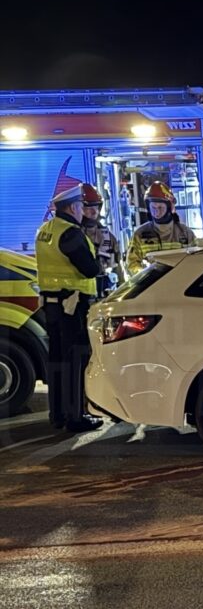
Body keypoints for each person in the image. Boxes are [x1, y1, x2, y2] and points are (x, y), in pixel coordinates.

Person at [34, 184, 103, 432]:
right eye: (81, 206)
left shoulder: (45, 230)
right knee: (76, 361)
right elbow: (90, 269)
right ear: (73, 207)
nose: (84, 210)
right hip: (72, 306)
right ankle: (76, 416)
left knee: (57, 361)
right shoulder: (71, 233)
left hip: (52, 306)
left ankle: (58, 414)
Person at [125, 182, 197, 276]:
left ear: (169, 207)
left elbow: (196, 262)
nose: (156, 211)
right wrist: (146, 276)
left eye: (160, 207)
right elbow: (131, 264)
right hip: (153, 288)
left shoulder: (186, 233)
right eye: (153, 207)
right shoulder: (139, 235)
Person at [80, 183, 120, 296]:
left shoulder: (108, 237)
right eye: (89, 208)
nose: (94, 212)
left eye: (96, 207)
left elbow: (117, 271)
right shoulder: (71, 236)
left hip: (102, 296)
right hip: (78, 297)